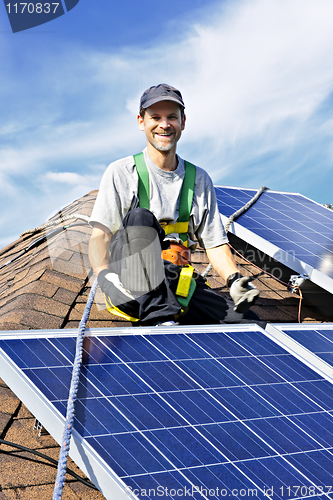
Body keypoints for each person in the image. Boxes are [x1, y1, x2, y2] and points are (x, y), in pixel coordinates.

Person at [88, 83, 260, 326]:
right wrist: (105, 276)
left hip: (177, 280)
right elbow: (100, 235)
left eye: (172, 117)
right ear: (141, 122)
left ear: (183, 122)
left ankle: (169, 309)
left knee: (250, 326)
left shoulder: (199, 179)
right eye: (155, 117)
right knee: (140, 217)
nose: (164, 124)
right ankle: (161, 317)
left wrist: (234, 280)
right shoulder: (122, 172)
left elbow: (215, 242)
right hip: (132, 284)